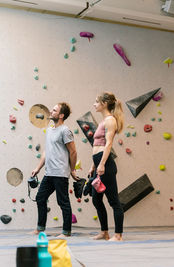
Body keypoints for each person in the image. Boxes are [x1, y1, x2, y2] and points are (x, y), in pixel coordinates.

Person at [31, 102, 78, 237]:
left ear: (61, 115)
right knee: (40, 198)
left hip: (60, 173)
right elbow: (47, 151)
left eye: (54, 110)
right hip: (49, 172)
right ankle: (40, 228)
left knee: (62, 202)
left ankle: (66, 231)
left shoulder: (65, 131)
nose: (51, 111)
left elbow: (73, 152)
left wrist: (72, 170)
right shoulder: (50, 130)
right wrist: (38, 168)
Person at [89, 92, 124, 241]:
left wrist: (102, 164)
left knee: (113, 201)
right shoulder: (104, 120)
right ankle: (104, 232)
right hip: (98, 163)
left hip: (106, 165)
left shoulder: (110, 120)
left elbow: (108, 144)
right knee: (96, 199)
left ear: (104, 103)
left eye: (97, 102)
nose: (94, 104)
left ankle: (118, 235)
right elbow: (98, 144)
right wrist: (93, 165)